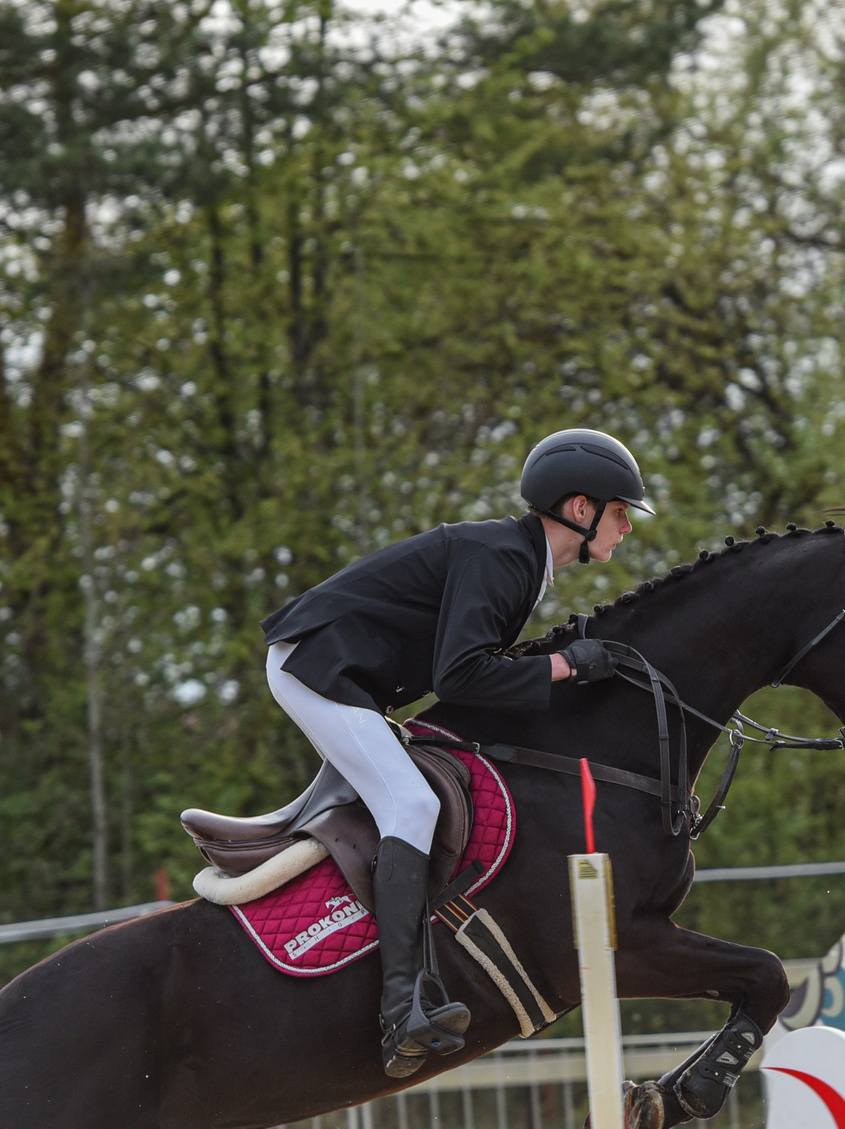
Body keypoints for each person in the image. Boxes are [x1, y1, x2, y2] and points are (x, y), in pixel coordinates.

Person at [260, 427, 653, 1076]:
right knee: (411, 803)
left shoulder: (520, 562)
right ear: (579, 510)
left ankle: (408, 993)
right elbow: (462, 676)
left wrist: (560, 664)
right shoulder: (503, 559)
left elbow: (472, 669)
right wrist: (562, 666)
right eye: (619, 513)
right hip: (315, 667)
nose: (626, 528)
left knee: (413, 797)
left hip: (346, 672)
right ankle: (400, 1009)